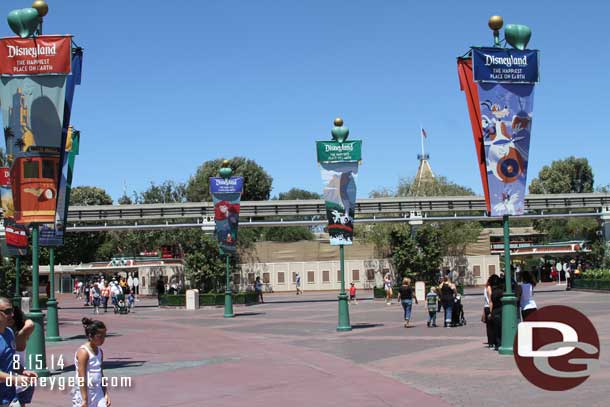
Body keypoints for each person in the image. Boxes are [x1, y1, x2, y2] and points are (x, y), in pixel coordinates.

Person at [0, 297, 37, 407]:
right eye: (7, 312)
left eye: (12, 311)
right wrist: (16, 379)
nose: (11, 315)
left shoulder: (9, 332)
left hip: (10, 396)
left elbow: (12, 359)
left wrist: (23, 371)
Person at [72, 318, 111, 407]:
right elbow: (81, 376)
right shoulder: (84, 352)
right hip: (84, 392)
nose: (103, 339)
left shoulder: (100, 351)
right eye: (99, 336)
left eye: (104, 336)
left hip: (98, 391)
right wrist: (85, 399)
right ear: (90, 336)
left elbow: (101, 373)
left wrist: (106, 393)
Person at [10, 307, 35, 406]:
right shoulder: (21, 336)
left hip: (14, 383)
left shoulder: (15, 337)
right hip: (22, 381)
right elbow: (30, 324)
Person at [488, 275, 504, 351]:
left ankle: (498, 344)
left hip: (495, 311)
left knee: (496, 329)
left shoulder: (493, 292)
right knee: (501, 328)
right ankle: (502, 343)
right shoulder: (502, 291)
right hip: (501, 310)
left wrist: (490, 313)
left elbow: (491, 302)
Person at [483, 275, 495, 348]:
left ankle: (490, 342)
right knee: (492, 326)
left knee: (489, 326)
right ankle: (492, 342)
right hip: (490, 307)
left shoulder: (485, 288)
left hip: (486, 307)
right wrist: (491, 311)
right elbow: (490, 300)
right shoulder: (489, 288)